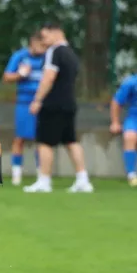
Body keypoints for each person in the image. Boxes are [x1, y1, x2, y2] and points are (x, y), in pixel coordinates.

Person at [25, 22, 94, 193]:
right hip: (69, 102)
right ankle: (82, 179)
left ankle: (44, 181)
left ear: (56, 33)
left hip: (53, 103)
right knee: (71, 141)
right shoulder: (71, 54)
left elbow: (48, 77)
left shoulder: (54, 52)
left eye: (45, 36)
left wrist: (37, 100)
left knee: (44, 142)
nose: (44, 40)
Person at [3, 32, 46, 185]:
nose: (42, 48)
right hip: (24, 102)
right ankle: (16, 174)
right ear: (32, 43)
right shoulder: (20, 56)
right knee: (20, 138)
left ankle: (42, 174)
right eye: (39, 45)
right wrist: (20, 74)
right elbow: (7, 77)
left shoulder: (48, 58)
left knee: (41, 139)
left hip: (43, 102)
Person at [110, 75, 137, 186]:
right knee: (130, 136)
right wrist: (115, 122)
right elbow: (117, 102)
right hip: (134, 117)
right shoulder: (131, 82)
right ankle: (131, 174)